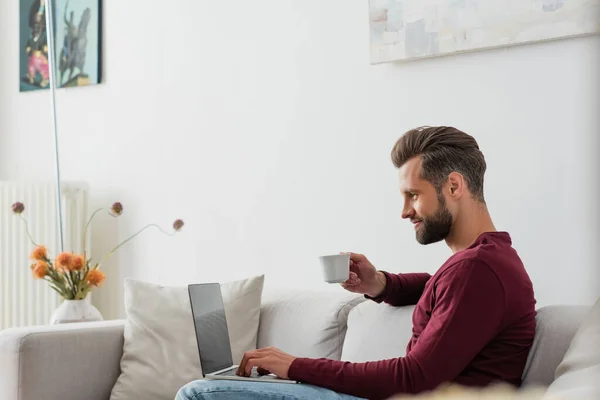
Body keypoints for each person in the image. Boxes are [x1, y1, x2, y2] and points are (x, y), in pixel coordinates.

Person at [176, 126, 537, 400]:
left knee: (198, 393)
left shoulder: (478, 270)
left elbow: (414, 377)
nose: (405, 211)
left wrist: (294, 365)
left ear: (454, 187)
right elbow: (439, 287)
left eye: (414, 195)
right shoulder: (487, 261)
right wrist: (380, 283)